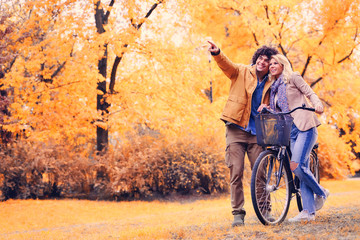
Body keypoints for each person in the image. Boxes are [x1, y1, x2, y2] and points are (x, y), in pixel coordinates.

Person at [207, 40, 278, 227]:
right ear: (256, 59)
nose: (263, 62)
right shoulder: (241, 71)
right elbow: (226, 65)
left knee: (260, 173)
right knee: (236, 172)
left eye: (267, 60)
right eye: (260, 59)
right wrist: (217, 53)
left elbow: (278, 104)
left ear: (271, 64)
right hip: (236, 129)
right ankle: (238, 213)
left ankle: (265, 210)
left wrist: (268, 107)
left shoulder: (273, 83)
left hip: (258, 133)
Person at [259, 54, 330, 222]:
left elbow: (310, 92)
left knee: (296, 166)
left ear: (283, 65)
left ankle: (321, 191)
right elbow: (281, 111)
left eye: (276, 63)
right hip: (290, 131)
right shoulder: (274, 87)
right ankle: (308, 212)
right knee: (301, 169)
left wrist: (317, 104)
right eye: (271, 64)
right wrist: (266, 108)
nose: (272, 66)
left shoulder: (293, 77)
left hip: (305, 126)